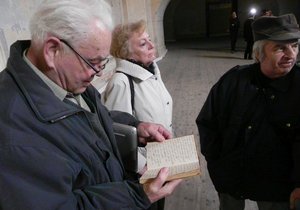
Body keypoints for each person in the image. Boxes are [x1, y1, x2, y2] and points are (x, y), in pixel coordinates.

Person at [0, 0, 182, 209]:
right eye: (94, 63)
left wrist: (136, 127)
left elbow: (86, 120)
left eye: (103, 63)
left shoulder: (67, 79)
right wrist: (137, 196)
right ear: (52, 51)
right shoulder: (12, 136)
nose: (100, 72)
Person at [196, 13, 300, 210]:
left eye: (294, 46)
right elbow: (208, 123)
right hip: (232, 177)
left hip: (278, 186)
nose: (291, 54)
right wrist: (217, 164)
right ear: (259, 52)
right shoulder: (233, 81)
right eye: (280, 48)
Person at [104, 19, 173, 210]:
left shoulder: (151, 72)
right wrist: (143, 168)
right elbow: (117, 133)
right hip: (142, 173)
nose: (152, 45)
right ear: (127, 53)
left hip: (160, 160)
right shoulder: (121, 82)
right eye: (143, 43)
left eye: (150, 39)